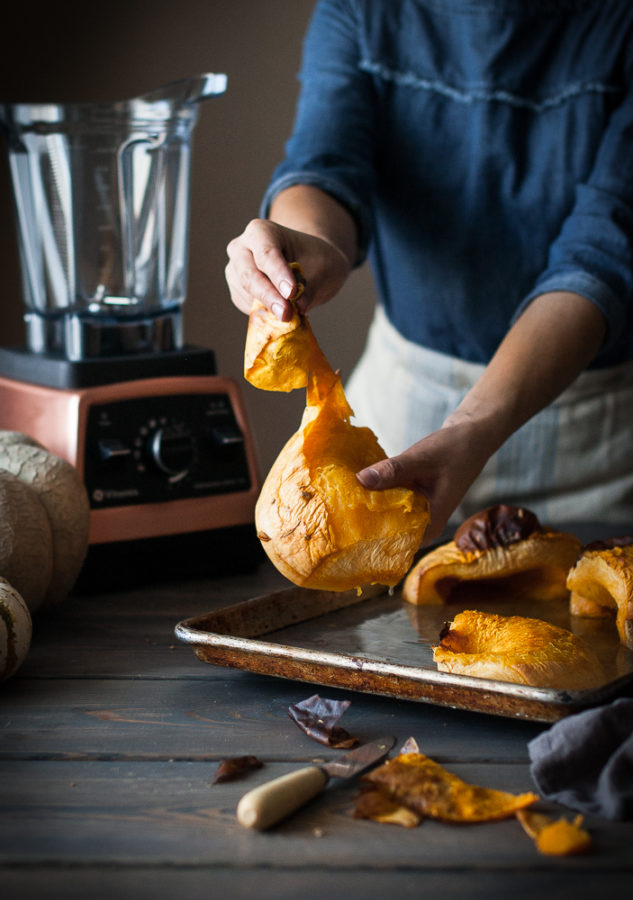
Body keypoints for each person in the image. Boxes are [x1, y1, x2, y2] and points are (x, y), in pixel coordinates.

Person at [225, 0, 633, 544]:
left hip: (599, 456)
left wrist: (474, 427)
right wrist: (311, 244)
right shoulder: (359, 11)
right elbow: (324, 162)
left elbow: (602, 254)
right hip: (401, 428)